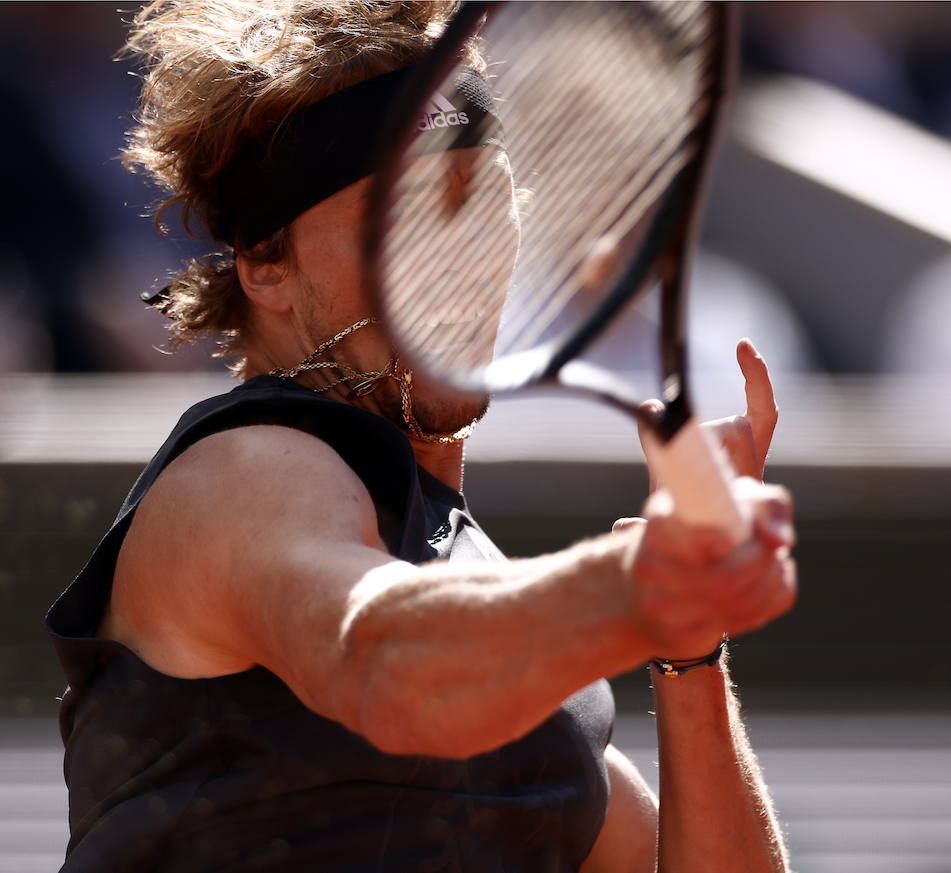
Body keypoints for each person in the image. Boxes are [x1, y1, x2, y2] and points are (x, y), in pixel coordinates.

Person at [45, 2, 797, 871]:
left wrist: (691, 648)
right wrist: (641, 582)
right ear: (265, 266)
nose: (460, 256)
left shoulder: (497, 627)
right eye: (400, 216)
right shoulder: (242, 470)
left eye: (482, 200)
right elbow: (379, 661)